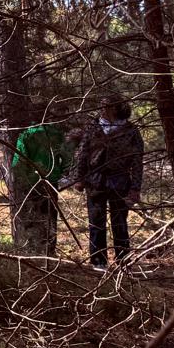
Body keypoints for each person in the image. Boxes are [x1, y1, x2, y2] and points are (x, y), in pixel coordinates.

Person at [70, 97, 143, 272]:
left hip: (120, 181)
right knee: (96, 222)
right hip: (95, 181)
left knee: (120, 223)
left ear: (116, 109)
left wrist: (135, 188)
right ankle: (98, 262)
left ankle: (123, 261)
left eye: (106, 106)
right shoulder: (93, 127)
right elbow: (83, 154)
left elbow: (137, 161)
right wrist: (79, 178)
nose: (102, 109)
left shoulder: (130, 131)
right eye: (101, 106)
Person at [12, 120, 71, 257]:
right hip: (51, 181)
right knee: (50, 216)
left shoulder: (26, 135)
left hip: (31, 183)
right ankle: (49, 250)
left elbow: (19, 162)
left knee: (31, 216)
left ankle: (32, 250)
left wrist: (21, 180)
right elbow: (67, 157)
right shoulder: (56, 134)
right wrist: (61, 172)